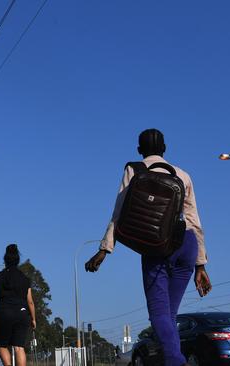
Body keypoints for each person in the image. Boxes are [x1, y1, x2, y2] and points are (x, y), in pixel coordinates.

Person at [85, 128, 212, 366]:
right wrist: (201, 265)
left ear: (139, 150)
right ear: (165, 149)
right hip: (187, 244)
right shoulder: (183, 175)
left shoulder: (133, 170)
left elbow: (119, 211)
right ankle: (170, 360)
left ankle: (177, 362)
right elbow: (194, 220)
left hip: (157, 247)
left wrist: (105, 249)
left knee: (159, 316)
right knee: (168, 316)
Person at [0, 244, 36, 366]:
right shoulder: (24, 279)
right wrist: (33, 319)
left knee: (1, 345)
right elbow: (30, 302)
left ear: (5, 260)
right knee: (19, 347)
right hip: (22, 314)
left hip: (5, 314)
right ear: (18, 260)